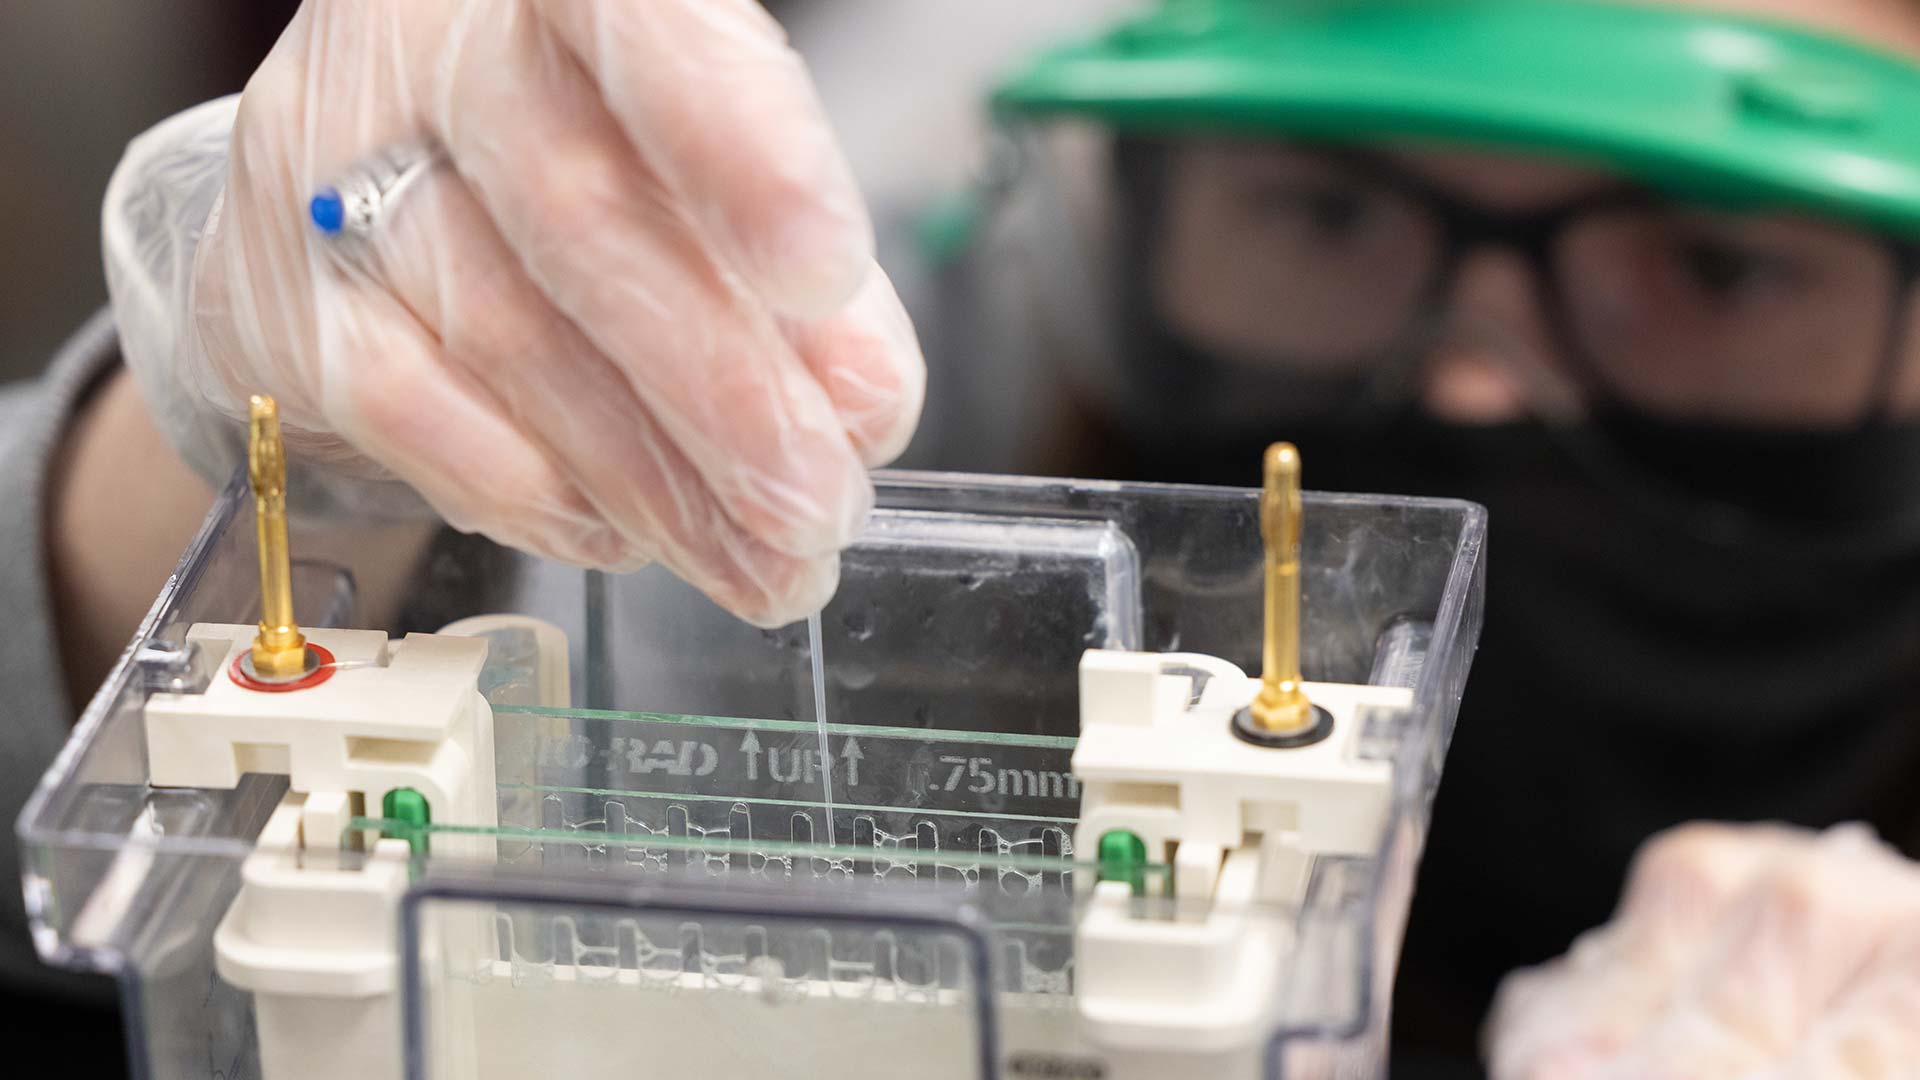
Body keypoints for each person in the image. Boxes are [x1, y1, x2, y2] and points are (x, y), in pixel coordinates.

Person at [4, 0, 1920, 1076]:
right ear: (1120, 217)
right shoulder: (907, 367)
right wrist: (289, 434)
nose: (1480, 386)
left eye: (1716, 263)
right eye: (1333, 214)